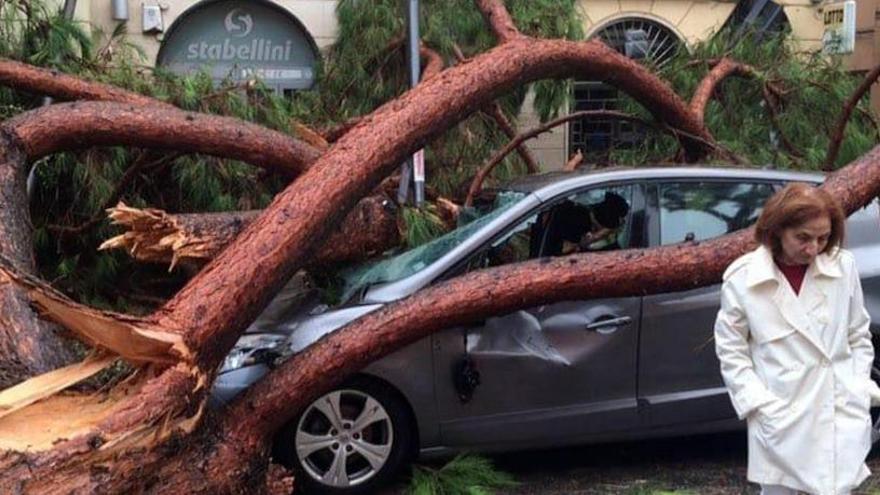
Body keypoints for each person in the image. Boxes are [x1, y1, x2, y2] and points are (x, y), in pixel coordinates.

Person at [714, 183, 880, 495]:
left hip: (837, 410)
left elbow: (859, 334)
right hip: (781, 416)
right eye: (802, 237)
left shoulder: (842, 267)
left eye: (823, 238)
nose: (813, 248)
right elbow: (731, 350)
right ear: (776, 230)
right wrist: (759, 405)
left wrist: (857, 387)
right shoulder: (744, 279)